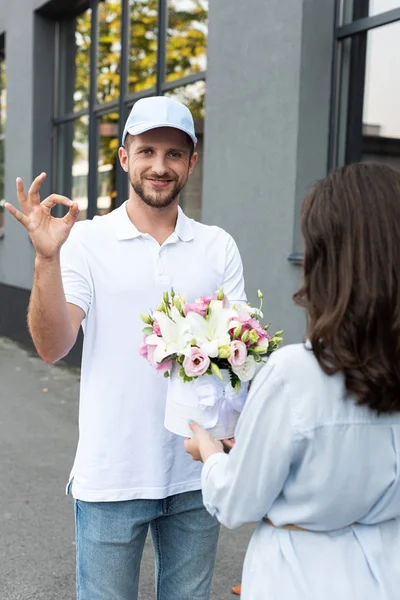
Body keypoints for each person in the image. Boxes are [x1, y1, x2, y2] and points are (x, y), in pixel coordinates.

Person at [5, 96, 246, 600]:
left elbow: (235, 354)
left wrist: (234, 436)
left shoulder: (217, 246)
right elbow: (52, 347)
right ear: (124, 157)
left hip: (195, 474)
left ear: (191, 162)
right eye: (148, 151)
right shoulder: (87, 240)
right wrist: (47, 260)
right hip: (111, 477)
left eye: (175, 154)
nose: (160, 166)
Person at [185, 162, 400, 599]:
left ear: (326, 259)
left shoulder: (294, 375)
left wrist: (209, 454)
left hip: (300, 576)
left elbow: (237, 500)